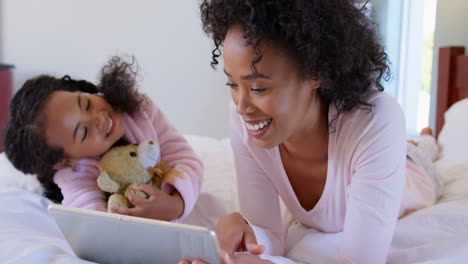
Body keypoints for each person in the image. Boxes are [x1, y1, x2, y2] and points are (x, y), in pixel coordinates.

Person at [185, 0, 438, 263]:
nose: (241, 106)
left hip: (413, 171)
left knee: (422, 152)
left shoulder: (376, 120)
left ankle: (427, 139)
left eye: (258, 88)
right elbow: (269, 235)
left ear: (316, 71)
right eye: (232, 84)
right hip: (378, 152)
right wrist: (245, 239)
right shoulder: (245, 121)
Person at [4, 56, 203, 222]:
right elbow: (93, 221)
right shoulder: (73, 173)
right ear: (66, 160)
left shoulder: (137, 108)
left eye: (87, 104)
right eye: (83, 132)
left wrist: (176, 204)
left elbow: (184, 158)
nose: (99, 119)